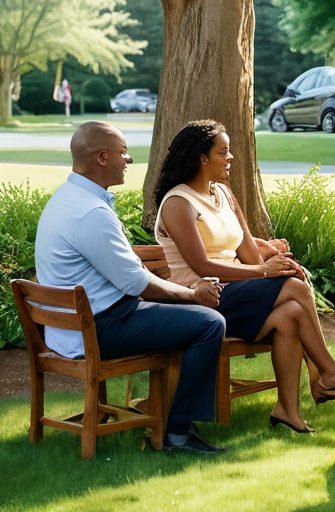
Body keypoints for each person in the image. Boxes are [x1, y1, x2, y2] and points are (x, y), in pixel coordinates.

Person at [154, 120, 335, 434]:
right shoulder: (179, 203)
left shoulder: (224, 195)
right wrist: (263, 272)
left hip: (234, 292)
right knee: (294, 290)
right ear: (203, 159)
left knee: (291, 313)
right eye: (223, 152)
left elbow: (247, 250)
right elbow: (202, 265)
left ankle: (288, 411)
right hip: (200, 299)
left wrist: (277, 263)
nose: (231, 158)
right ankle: (328, 374)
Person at [34, 121, 227, 455]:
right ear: (103, 157)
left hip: (71, 326)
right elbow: (138, 284)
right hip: (100, 328)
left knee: (188, 313)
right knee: (209, 323)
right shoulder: (91, 212)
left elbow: (123, 268)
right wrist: (194, 294)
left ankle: (159, 406)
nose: (129, 159)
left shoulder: (66, 199)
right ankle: (178, 433)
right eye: (123, 152)